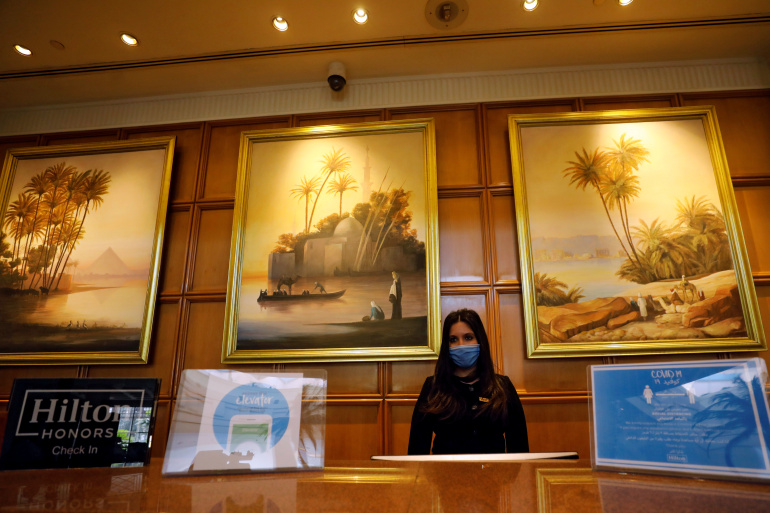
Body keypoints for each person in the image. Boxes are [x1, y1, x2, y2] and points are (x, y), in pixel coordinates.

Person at [408, 309, 529, 455]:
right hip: (445, 469)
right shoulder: (433, 387)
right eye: (453, 340)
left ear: (480, 340)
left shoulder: (503, 386)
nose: (461, 345)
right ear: (447, 345)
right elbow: (417, 449)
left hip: (495, 469)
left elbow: (519, 446)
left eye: (468, 337)